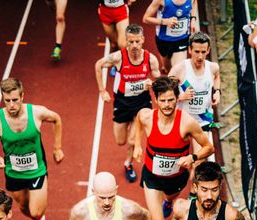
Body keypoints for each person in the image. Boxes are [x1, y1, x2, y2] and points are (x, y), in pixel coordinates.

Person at [133, 76, 213, 220]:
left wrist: (192, 157)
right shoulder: (147, 117)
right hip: (152, 177)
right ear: (156, 100)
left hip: (177, 178)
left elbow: (208, 147)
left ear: (177, 99)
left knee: (170, 199)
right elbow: (139, 122)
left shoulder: (187, 123)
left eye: (171, 100)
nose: (167, 105)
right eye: (163, 100)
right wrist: (136, 145)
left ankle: (168, 202)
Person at [0, 78, 64, 220]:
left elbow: (56, 119)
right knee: (22, 207)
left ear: (22, 96)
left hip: (37, 169)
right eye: (7, 101)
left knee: (35, 211)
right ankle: (34, 218)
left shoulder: (36, 112)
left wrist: (57, 148)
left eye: (15, 100)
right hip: (14, 172)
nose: (11, 105)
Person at [95, 24, 160, 183]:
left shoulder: (150, 59)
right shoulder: (118, 57)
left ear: (143, 40)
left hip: (142, 103)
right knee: (120, 141)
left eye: (137, 41)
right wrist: (102, 90)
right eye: (131, 42)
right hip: (122, 103)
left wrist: (155, 84)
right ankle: (131, 138)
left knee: (132, 141)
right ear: (126, 41)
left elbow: (158, 78)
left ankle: (128, 163)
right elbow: (98, 65)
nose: (134, 46)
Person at [169, 31, 221, 141]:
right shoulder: (179, 69)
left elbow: (217, 76)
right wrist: (181, 97)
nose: (200, 57)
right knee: (179, 155)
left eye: (203, 52)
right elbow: (164, 94)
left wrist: (217, 91)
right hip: (182, 119)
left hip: (203, 119)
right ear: (189, 50)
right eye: (196, 52)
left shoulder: (213, 67)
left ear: (208, 50)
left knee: (201, 155)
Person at [143, 0, 197, 73]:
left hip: (182, 39)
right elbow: (146, 18)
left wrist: (193, 19)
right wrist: (164, 22)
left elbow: (194, 3)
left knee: (178, 71)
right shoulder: (160, 1)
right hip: (164, 40)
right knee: (167, 69)